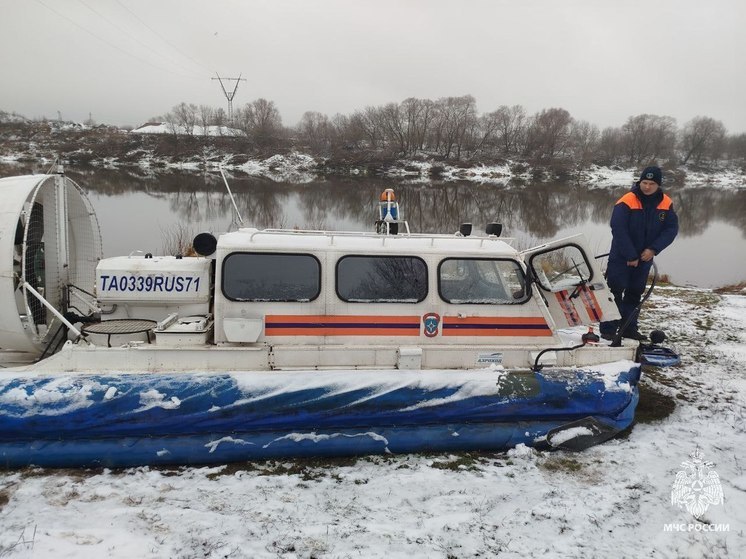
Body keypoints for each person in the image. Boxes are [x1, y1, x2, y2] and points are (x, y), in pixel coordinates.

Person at [600, 166, 679, 341]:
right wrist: (630, 255)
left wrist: (653, 249)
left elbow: (671, 230)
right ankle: (608, 329)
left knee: (635, 293)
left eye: (651, 183)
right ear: (639, 182)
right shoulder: (627, 200)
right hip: (622, 257)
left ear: (658, 185)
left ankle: (629, 328)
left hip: (645, 258)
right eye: (644, 182)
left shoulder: (666, 203)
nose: (647, 187)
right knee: (614, 291)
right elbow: (618, 228)